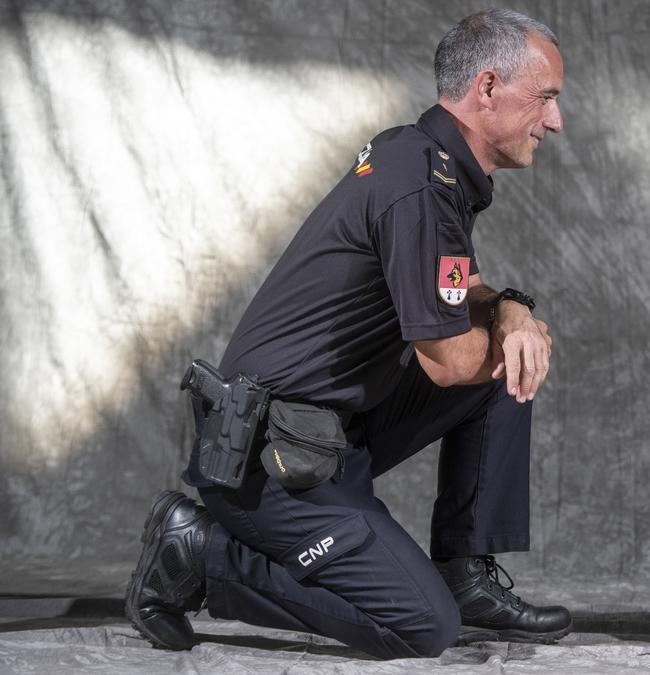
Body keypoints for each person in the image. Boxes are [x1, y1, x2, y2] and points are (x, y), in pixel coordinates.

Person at [124, 9, 568, 659]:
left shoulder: (424, 161)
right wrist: (519, 333)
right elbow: (446, 361)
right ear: (489, 87)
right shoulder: (418, 185)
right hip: (271, 453)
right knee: (422, 626)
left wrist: (513, 313)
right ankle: (199, 552)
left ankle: (465, 572)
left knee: (505, 363)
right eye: (547, 98)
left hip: (331, 425)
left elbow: (460, 288)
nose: (556, 121)